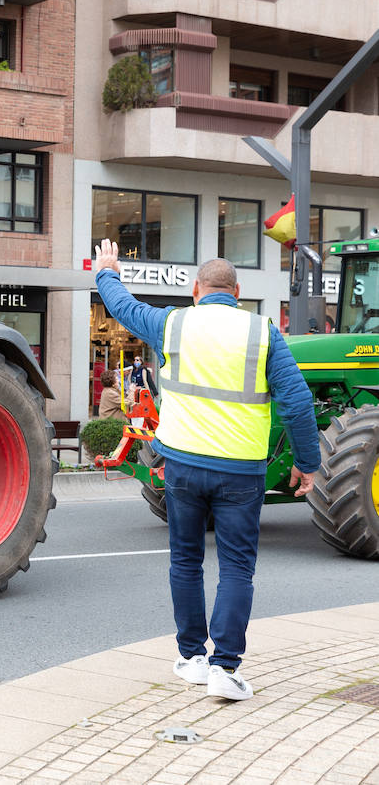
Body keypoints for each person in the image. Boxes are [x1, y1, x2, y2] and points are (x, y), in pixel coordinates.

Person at [93, 238, 318, 702]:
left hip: (183, 466)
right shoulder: (262, 332)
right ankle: (225, 668)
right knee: (237, 568)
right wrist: (307, 463)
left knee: (186, 560)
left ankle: (192, 657)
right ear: (237, 293)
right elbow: (296, 404)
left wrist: (108, 271)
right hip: (241, 472)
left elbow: (123, 307)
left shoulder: (173, 324)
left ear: (197, 289)